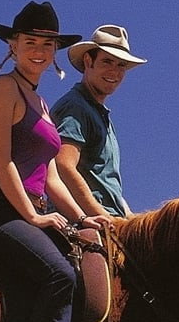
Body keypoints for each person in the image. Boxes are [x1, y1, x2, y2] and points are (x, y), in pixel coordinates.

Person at [0, 1, 112, 322]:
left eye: (47, 44)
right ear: (12, 45)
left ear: (55, 52)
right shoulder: (4, 88)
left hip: (31, 210)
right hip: (1, 211)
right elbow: (2, 160)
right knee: (59, 275)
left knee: (91, 263)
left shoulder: (42, 102)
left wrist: (83, 218)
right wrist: (34, 218)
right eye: (30, 42)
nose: (38, 51)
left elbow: (51, 174)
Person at [51, 25, 147, 219]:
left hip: (110, 219)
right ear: (88, 61)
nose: (114, 71)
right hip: (83, 220)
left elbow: (107, 184)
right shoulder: (75, 106)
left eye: (121, 65)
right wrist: (102, 215)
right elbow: (63, 165)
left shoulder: (99, 114)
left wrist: (131, 219)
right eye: (107, 61)